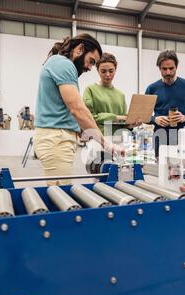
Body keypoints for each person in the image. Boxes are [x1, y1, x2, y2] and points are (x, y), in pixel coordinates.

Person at [33, 34, 124, 186]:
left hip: (57, 138)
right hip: (56, 139)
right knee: (60, 195)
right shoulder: (64, 64)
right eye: (91, 61)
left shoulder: (57, 63)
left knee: (59, 191)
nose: (89, 67)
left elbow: (69, 110)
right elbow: (78, 110)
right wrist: (107, 144)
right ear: (80, 49)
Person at [145, 50, 185, 158]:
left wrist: (184, 117)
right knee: (162, 171)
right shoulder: (152, 88)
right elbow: (143, 116)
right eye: (164, 69)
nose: (168, 72)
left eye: (171, 68)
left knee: (182, 171)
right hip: (160, 137)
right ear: (159, 68)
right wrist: (155, 119)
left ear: (176, 67)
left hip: (182, 137)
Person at [83, 53, 128, 135]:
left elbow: (124, 121)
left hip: (117, 140)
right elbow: (89, 117)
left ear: (115, 70)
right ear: (97, 71)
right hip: (97, 139)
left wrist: (131, 124)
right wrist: (115, 117)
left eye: (111, 71)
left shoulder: (121, 95)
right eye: (103, 71)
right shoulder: (90, 90)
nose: (107, 75)